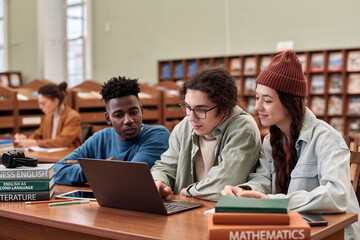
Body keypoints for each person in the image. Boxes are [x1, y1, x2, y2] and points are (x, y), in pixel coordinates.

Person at [221, 50, 360, 239]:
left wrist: (274, 202)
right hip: (294, 231)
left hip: (334, 234)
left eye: (267, 100)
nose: (258, 106)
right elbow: (263, 180)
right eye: (257, 97)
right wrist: (244, 191)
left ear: (290, 102)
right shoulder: (271, 141)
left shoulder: (326, 138)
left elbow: (337, 195)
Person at [151, 67, 262, 201]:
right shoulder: (185, 126)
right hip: (185, 209)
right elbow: (166, 166)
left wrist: (189, 191)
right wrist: (159, 181)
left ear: (224, 109)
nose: (191, 117)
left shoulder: (244, 129)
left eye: (201, 109)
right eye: (187, 107)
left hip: (219, 213)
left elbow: (223, 184)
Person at [54, 76, 170, 186]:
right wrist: (99, 168)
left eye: (133, 112)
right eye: (119, 115)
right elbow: (56, 171)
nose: (128, 120)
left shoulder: (158, 135)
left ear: (142, 110)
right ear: (108, 118)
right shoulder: (100, 138)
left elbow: (132, 176)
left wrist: (90, 166)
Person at [14, 82, 82, 148]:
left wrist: (36, 143)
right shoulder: (48, 117)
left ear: (56, 101)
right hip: (51, 155)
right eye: (39, 104)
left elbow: (62, 141)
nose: (40, 107)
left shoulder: (73, 116)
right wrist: (25, 139)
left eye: (43, 103)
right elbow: (37, 135)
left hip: (68, 156)